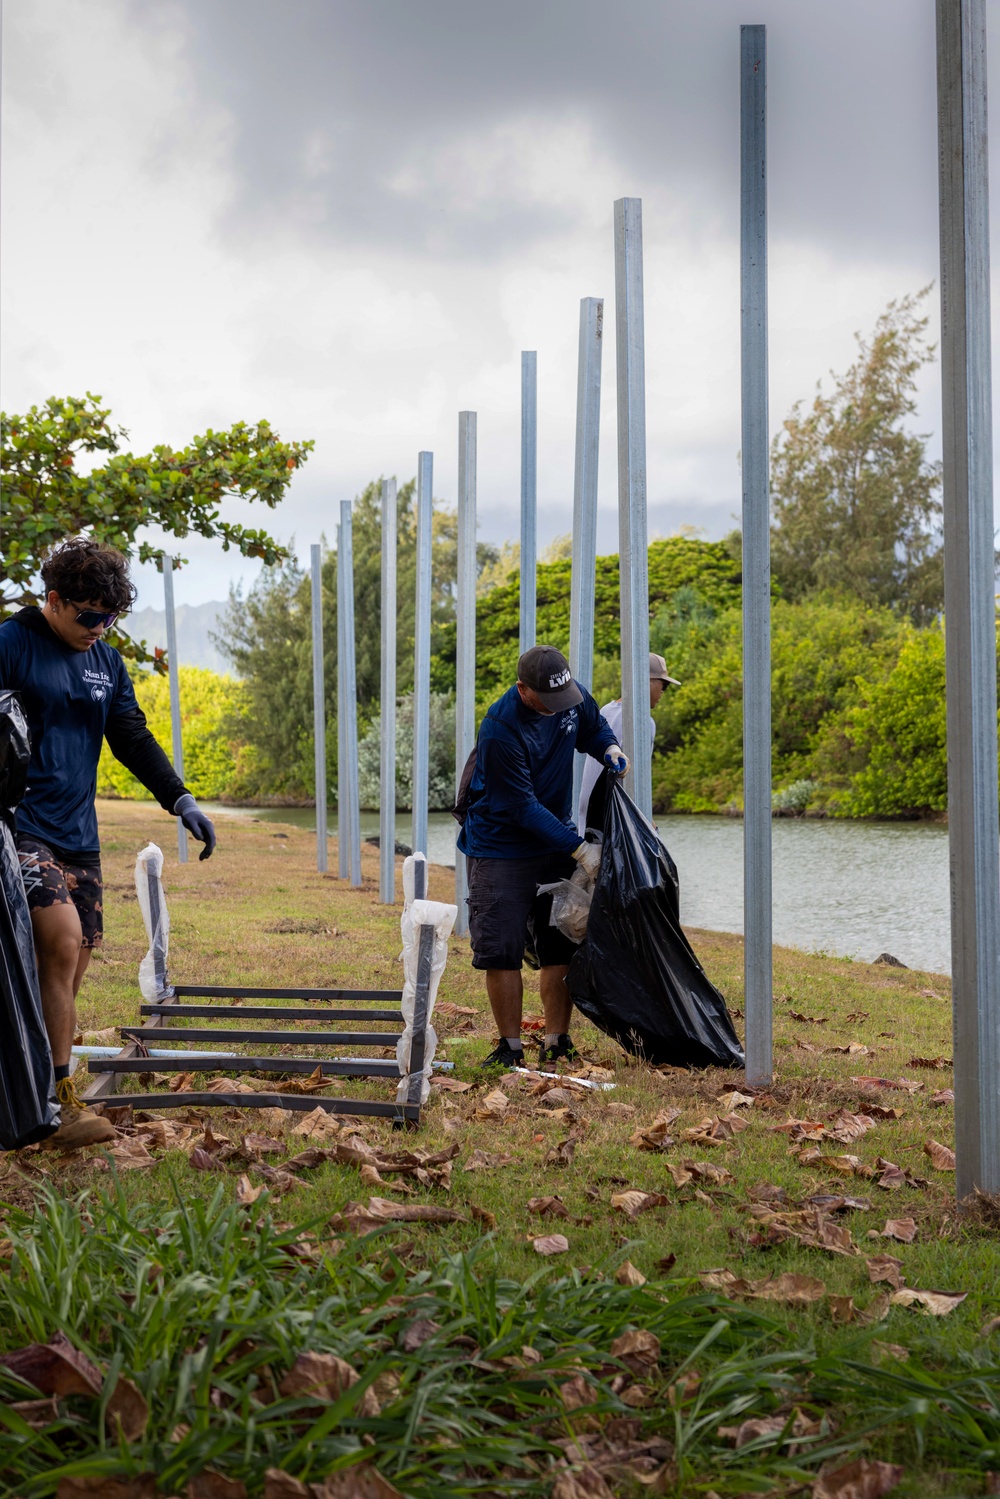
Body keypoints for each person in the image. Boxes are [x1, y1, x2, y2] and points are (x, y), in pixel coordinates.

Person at [0, 539, 217, 1149]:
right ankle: (59, 1106)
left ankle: (30, 1086)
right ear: (54, 599)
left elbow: (132, 738)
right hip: (18, 827)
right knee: (62, 943)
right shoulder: (11, 645)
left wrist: (181, 800)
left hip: (78, 835)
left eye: (111, 617)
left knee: (69, 968)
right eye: (89, 615)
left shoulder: (107, 663)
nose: (100, 627)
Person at [457, 644, 628, 1070]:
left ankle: (557, 1040)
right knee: (501, 946)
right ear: (523, 690)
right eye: (547, 702)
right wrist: (579, 849)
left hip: (552, 838)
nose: (557, 708)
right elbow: (522, 807)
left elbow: (592, 728)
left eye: (563, 698)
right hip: (501, 846)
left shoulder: (569, 696)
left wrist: (609, 748)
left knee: (561, 941)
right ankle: (509, 1046)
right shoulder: (500, 728)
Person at [577, 653, 680, 835]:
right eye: (663, 685)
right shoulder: (643, 723)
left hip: (587, 824)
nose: (663, 692)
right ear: (646, 681)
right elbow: (636, 786)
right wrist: (653, 829)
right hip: (613, 828)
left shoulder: (605, 711)